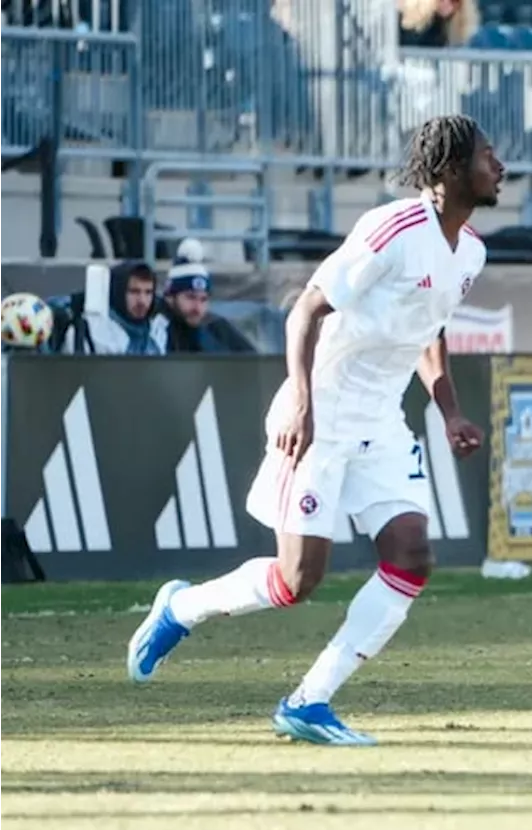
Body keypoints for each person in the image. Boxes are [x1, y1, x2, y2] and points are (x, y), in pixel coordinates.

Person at [126, 115, 505, 745]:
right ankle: (180, 608)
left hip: (382, 423)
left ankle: (309, 701)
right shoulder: (391, 229)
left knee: (412, 556)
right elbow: (306, 308)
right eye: (488, 157)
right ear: (448, 171)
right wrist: (302, 402)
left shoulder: (472, 251)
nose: (500, 168)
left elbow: (427, 331)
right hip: (322, 416)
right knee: (296, 581)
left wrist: (449, 411)